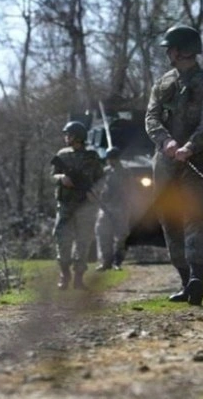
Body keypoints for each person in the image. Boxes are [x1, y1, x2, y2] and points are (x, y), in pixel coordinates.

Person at [145, 24, 203, 306]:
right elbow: (151, 118)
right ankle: (184, 281)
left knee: (196, 215)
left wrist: (190, 146)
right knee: (169, 219)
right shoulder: (163, 83)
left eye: (171, 49)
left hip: (197, 161)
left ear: (181, 50)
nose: (168, 53)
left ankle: (197, 280)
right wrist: (166, 142)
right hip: (165, 163)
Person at [51, 121, 104, 290]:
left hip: (86, 205)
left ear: (78, 137)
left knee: (84, 241)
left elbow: (100, 179)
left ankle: (79, 277)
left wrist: (94, 192)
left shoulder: (92, 156)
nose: (66, 137)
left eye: (69, 134)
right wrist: (61, 178)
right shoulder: (62, 154)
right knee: (62, 239)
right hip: (65, 204)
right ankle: (64, 274)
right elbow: (52, 175)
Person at [94, 147, 131, 271]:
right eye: (109, 159)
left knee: (121, 237)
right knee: (102, 234)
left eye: (111, 159)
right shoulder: (105, 172)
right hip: (105, 207)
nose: (110, 161)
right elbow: (99, 187)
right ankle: (105, 262)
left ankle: (117, 262)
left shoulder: (125, 172)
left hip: (121, 207)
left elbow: (129, 190)